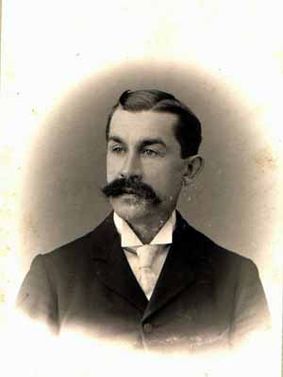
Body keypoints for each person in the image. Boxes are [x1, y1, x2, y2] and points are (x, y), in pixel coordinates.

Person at [17, 89, 270, 355]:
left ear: (190, 169)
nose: (127, 169)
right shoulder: (52, 276)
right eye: (117, 149)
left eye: (149, 151)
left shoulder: (237, 279)